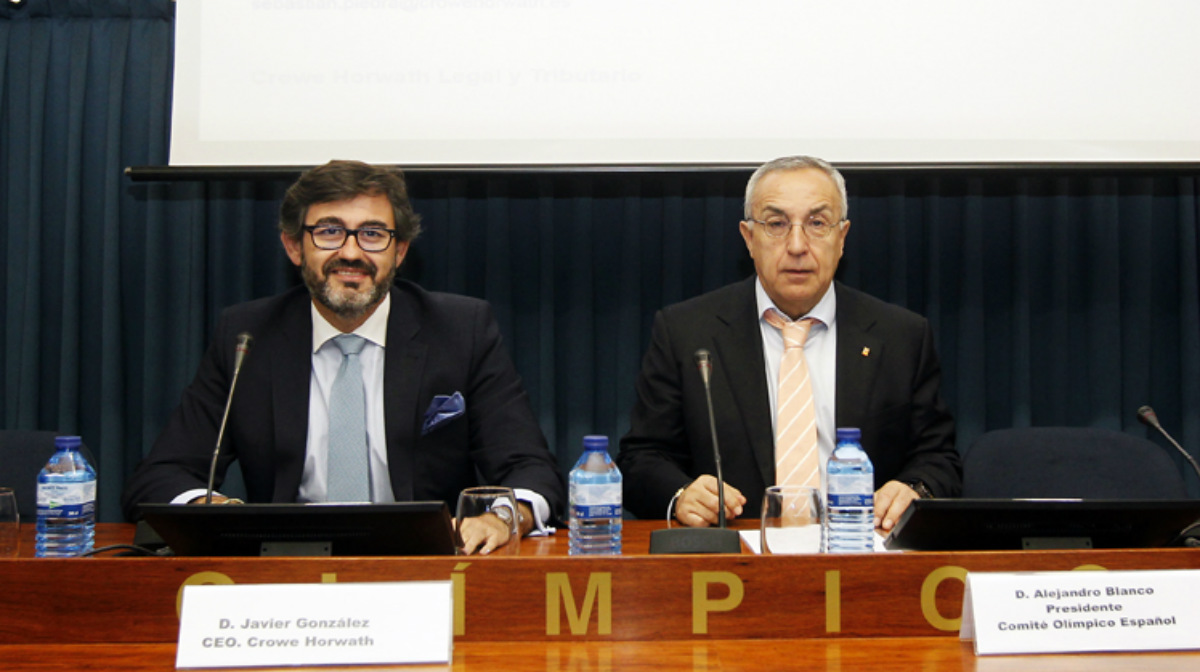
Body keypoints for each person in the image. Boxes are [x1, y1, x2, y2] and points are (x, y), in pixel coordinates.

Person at [121, 160, 565, 554]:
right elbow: (164, 473)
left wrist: (505, 517)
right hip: (286, 566)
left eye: (372, 234)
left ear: (400, 252)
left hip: (425, 564)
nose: (351, 252)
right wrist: (210, 509)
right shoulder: (249, 337)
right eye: (330, 231)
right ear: (295, 247)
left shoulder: (459, 330)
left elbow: (530, 469)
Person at [617, 155, 961, 534]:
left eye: (817, 223)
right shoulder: (687, 332)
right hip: (733, 561)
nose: (797, 245)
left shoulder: (901, 336)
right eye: (777, 224)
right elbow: (642, 458)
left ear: (842, 237)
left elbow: (938, 459)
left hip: (861, 554)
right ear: (749, 238)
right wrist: (681, 494)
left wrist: (914, 489)